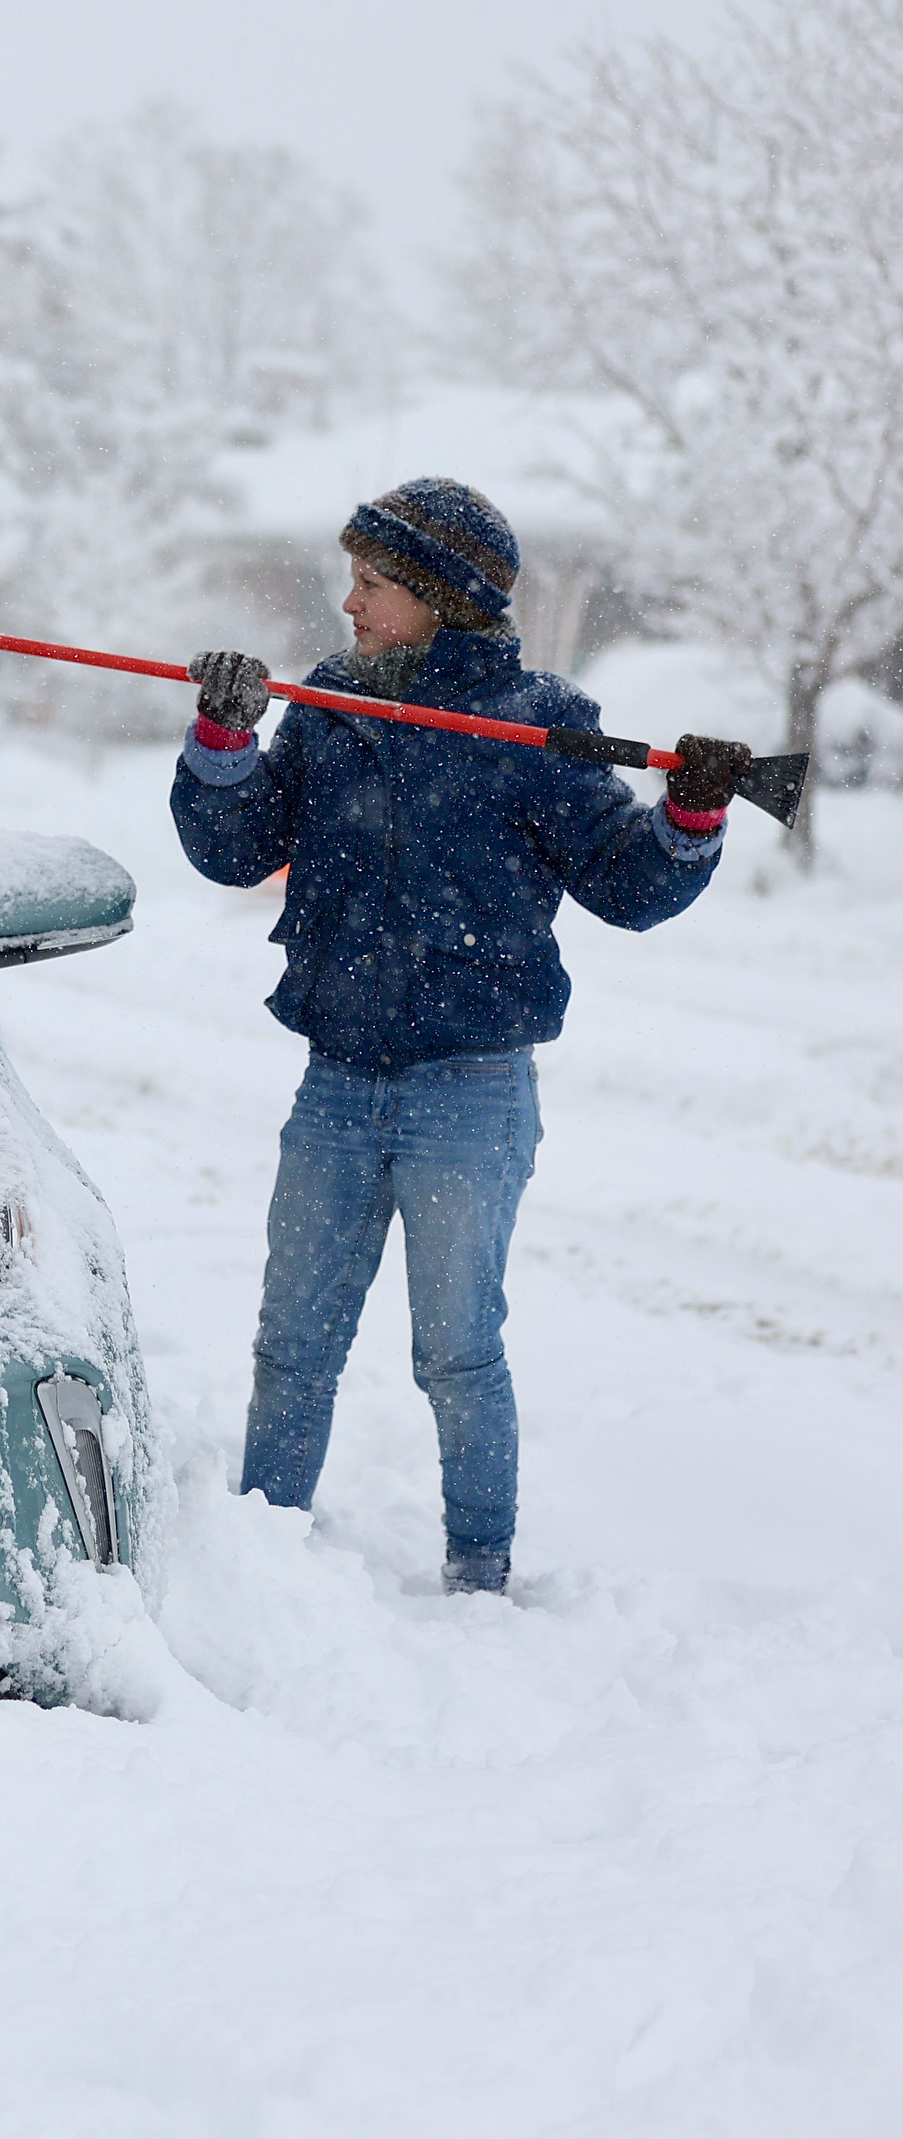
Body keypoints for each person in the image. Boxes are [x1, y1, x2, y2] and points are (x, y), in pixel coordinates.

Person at [170, 478, 752, 1596]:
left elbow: (628, 885)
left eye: (374, 583)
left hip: (469, 1089)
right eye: (353, 578)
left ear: (441, 598)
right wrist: (224, 741)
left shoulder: (539, 726)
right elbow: (240, 848)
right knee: (292, 1346)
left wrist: (691, 816)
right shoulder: (331, 703)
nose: (349, 601)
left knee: (457, 1354)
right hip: (336, 1078)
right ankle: (260, 1563)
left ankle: (480, 1575)